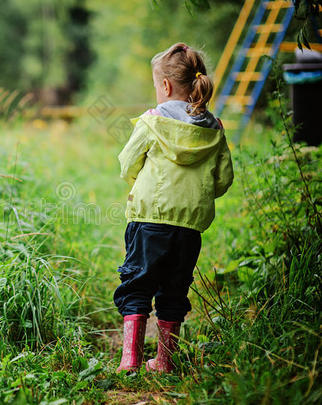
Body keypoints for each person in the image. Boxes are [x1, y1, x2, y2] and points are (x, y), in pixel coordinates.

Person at [114, 43, 234, 373]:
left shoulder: (152, 123)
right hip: (189, 226)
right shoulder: (214, 128)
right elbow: (223, 180)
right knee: (175, 289)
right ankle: (164, 361)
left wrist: (141, 184)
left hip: (149, 218)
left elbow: (127, 164)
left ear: (165, 86)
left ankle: (130, 360)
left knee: (136, 282)